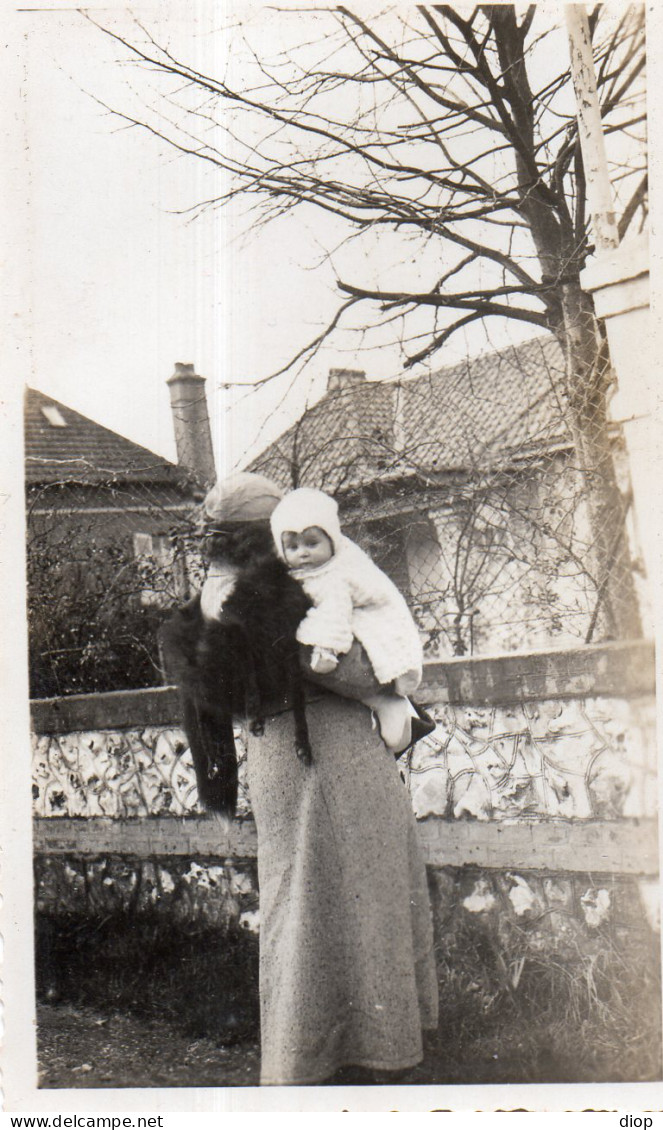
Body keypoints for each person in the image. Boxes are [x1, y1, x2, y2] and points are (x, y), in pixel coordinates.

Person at [165, 472, 439, 1086]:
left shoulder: (203, 604)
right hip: (329, 750)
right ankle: (371, 1050)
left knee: (299, 903)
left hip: (273, 758)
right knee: (366, 899)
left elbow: (203, 702)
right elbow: (359, 674)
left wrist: (218, 786)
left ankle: (310, 1054)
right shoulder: (282, 597)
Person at [270, 486, 435, 754]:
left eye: (312, 543)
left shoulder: (334, 574)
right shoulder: (314, 568)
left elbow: (333, 615)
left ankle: (383, 700)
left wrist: (325, 649)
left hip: (373, 624)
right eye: (292, 546)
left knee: (308, 658)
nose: (303, 553)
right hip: (355, 619)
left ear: (332, 540)